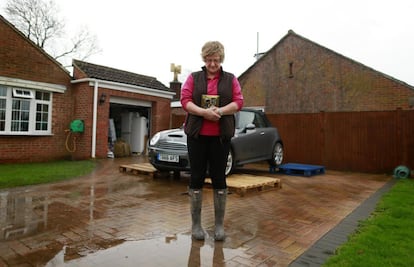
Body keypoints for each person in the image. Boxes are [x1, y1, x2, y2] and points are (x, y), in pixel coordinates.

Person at [180, 41, 244, 241]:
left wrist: (221, 111)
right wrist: (203, 113)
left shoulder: (231, 79)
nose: (213, 64)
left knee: (219, 178)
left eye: (216, 60)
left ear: (221, 59)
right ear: (204, 59)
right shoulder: (193, 78)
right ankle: (196, 226)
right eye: (209, 60)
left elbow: (239, 102)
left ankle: (218, 226)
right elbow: (185, 100)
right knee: (196, 177)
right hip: (197, 136)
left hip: (220, 137)